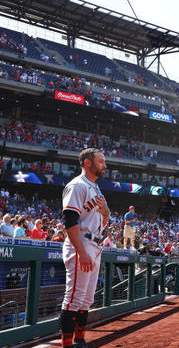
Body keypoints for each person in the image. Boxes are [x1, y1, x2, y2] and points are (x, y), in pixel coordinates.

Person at [59, 148, 110, 348]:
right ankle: (67, 344)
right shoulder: (77, 185)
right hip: (81, 242)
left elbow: (102, 219)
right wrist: (81, 251)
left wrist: (105, 214)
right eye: (101, 161)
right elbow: (70, 219)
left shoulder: (95, 188)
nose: (105, 165)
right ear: (88, 163)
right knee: (74, 297)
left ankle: (80, 340)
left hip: (95, 243)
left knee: (86, 299)